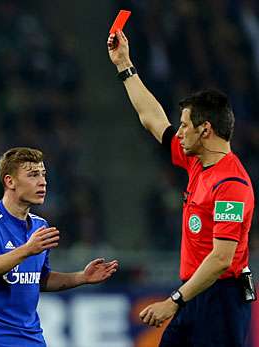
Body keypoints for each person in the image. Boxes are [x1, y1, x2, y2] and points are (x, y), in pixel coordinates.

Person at [108, 31, 255, 346]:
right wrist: (125, 65)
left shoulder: (232, 185)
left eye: (185, 125)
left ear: (206, 130)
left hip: (221, 300)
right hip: (194, 293)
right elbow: (151, 119)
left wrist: (173, 300)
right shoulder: (196, 163)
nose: (180, 132)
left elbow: (220, 259)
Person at [0, 147, 118, 346]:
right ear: (9, 181)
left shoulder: (40, 226)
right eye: (33, 175)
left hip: (31, 336)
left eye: (43, 175)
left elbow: (40, 279)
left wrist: (81, 277)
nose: (43, 182)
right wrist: (27, 249)